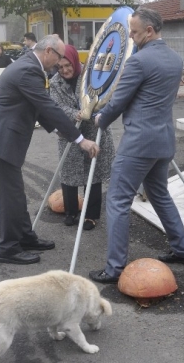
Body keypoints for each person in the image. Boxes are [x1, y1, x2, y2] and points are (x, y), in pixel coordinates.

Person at [89, 7, 184, 284]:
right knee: (160, 195)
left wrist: (100, 119)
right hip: (163, 139)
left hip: (138, 142)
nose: (133, 38)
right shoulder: (175, 59)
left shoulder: (139, 62)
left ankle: (114, 269)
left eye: (135, 33)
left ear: (149, 30)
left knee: (117, 200)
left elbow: (119, 101)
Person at [0, 35, 100, 265]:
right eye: (60, 57)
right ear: (49, 51)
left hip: (2, 140)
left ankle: (25, 237)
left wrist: (58, 130)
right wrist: (80, 139)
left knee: (15, 193)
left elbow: (36, 105)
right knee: (7, 198)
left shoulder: (29, 66)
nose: (60, 63)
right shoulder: (29, 70)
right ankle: (8, 248)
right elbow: (45, 104)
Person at [49, 44, 115, 231]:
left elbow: (104, 100)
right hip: (69, 133)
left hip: (92, 131)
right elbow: (57, 106)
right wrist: (76, 113)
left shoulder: (91, 78)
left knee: (92, 175)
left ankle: (91, 216)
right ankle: (71, 212)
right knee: (69, 174)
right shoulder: (55, 82)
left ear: (75, 61)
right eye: (60, 67)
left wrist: (93, 114)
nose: (65, 70)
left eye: (67, 65)